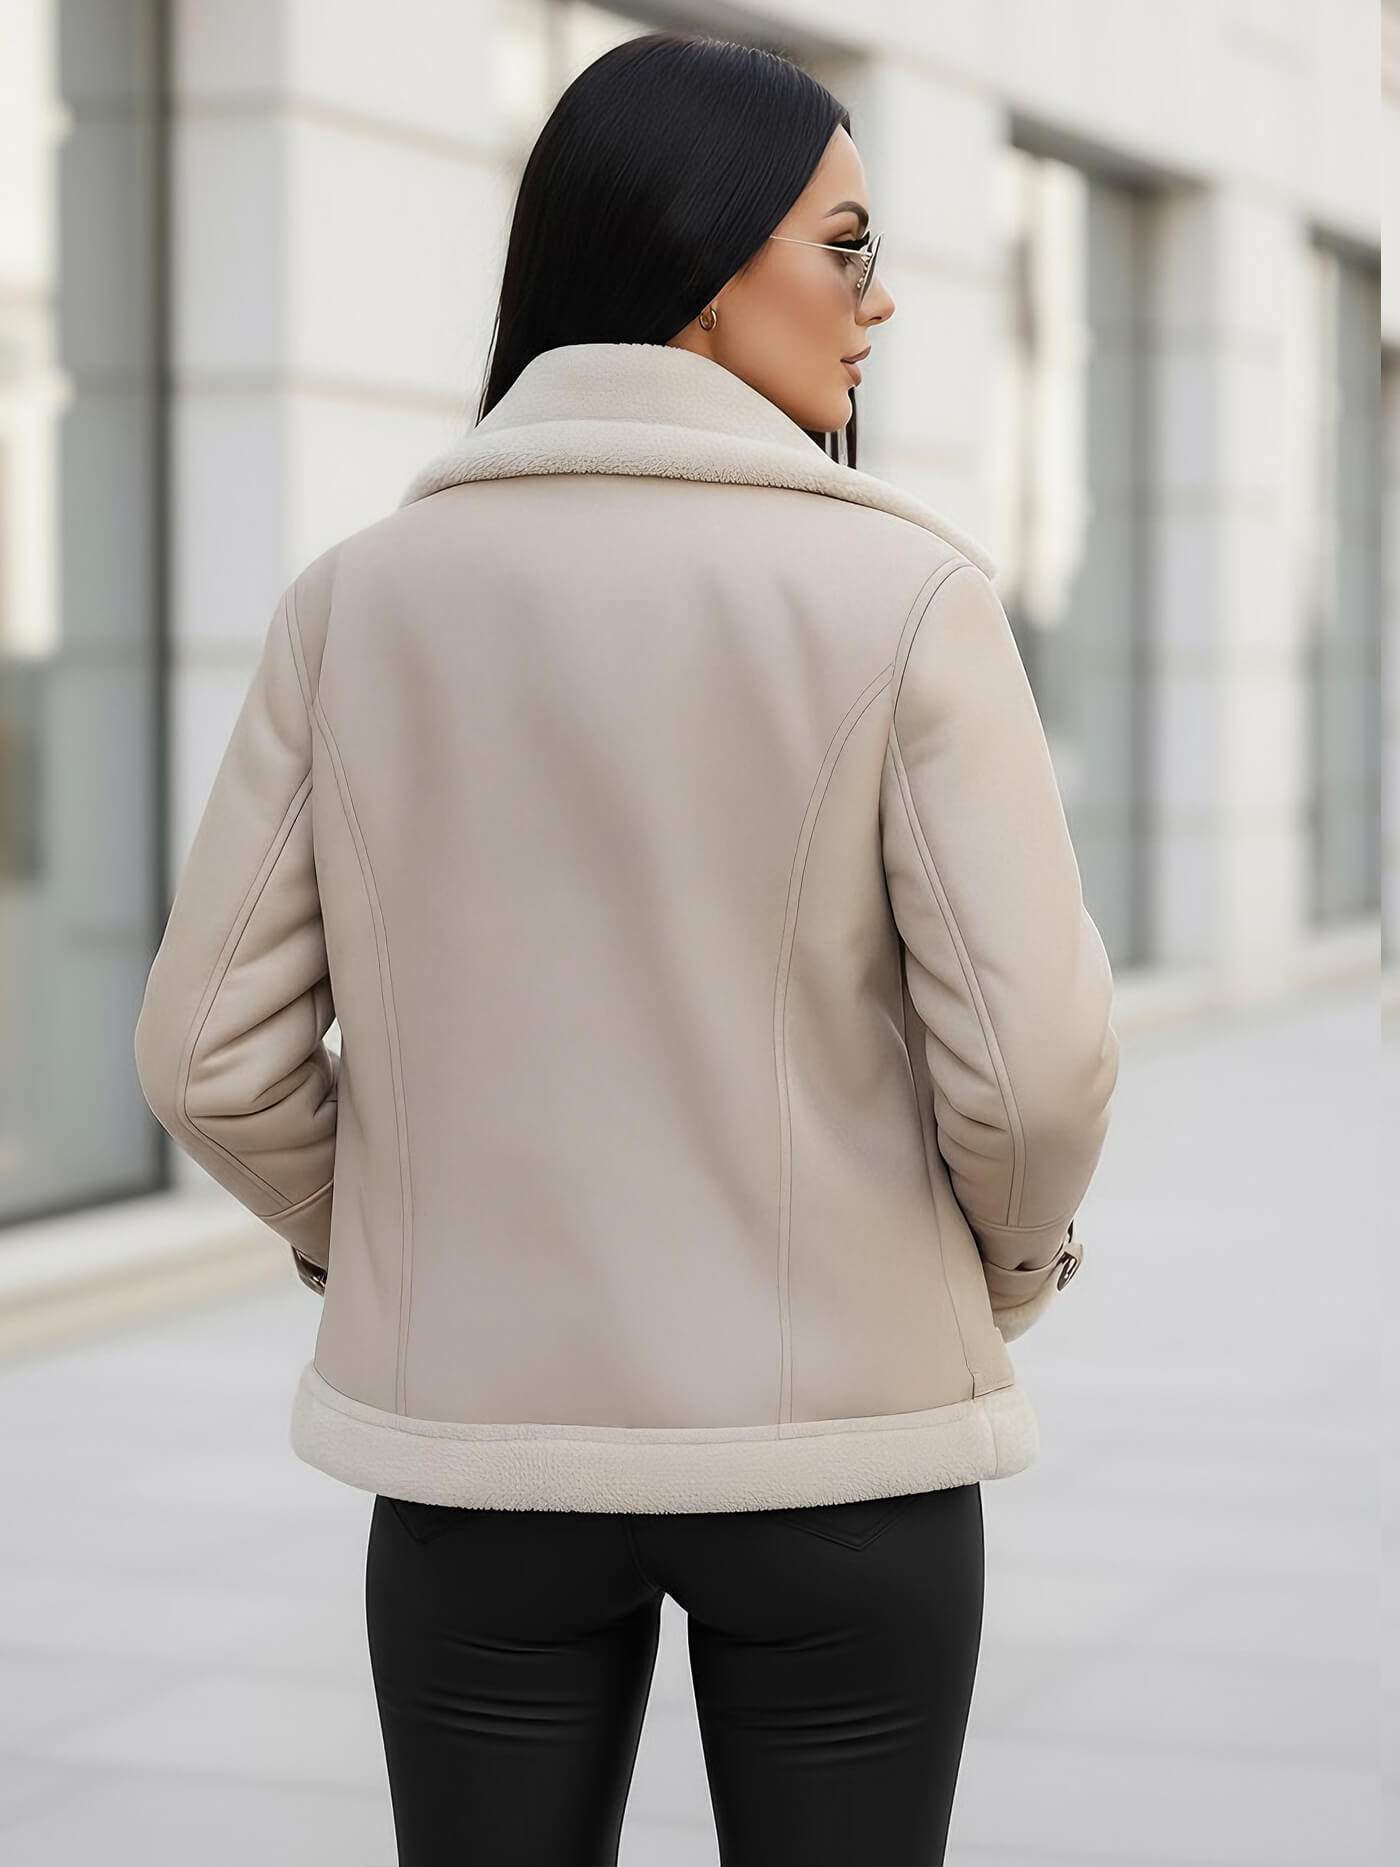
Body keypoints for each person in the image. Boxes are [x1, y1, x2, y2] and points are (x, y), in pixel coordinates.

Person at [133, 29, 1119, 1867]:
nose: (881, 300)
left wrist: (403, 1239)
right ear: (702, 261)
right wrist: (1003, 1274)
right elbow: (1036, 1067)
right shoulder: (906, 595)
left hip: (479, 1469)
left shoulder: (356, 604)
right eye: (845, 246)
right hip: (842, 1461)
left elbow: (204, 1055)